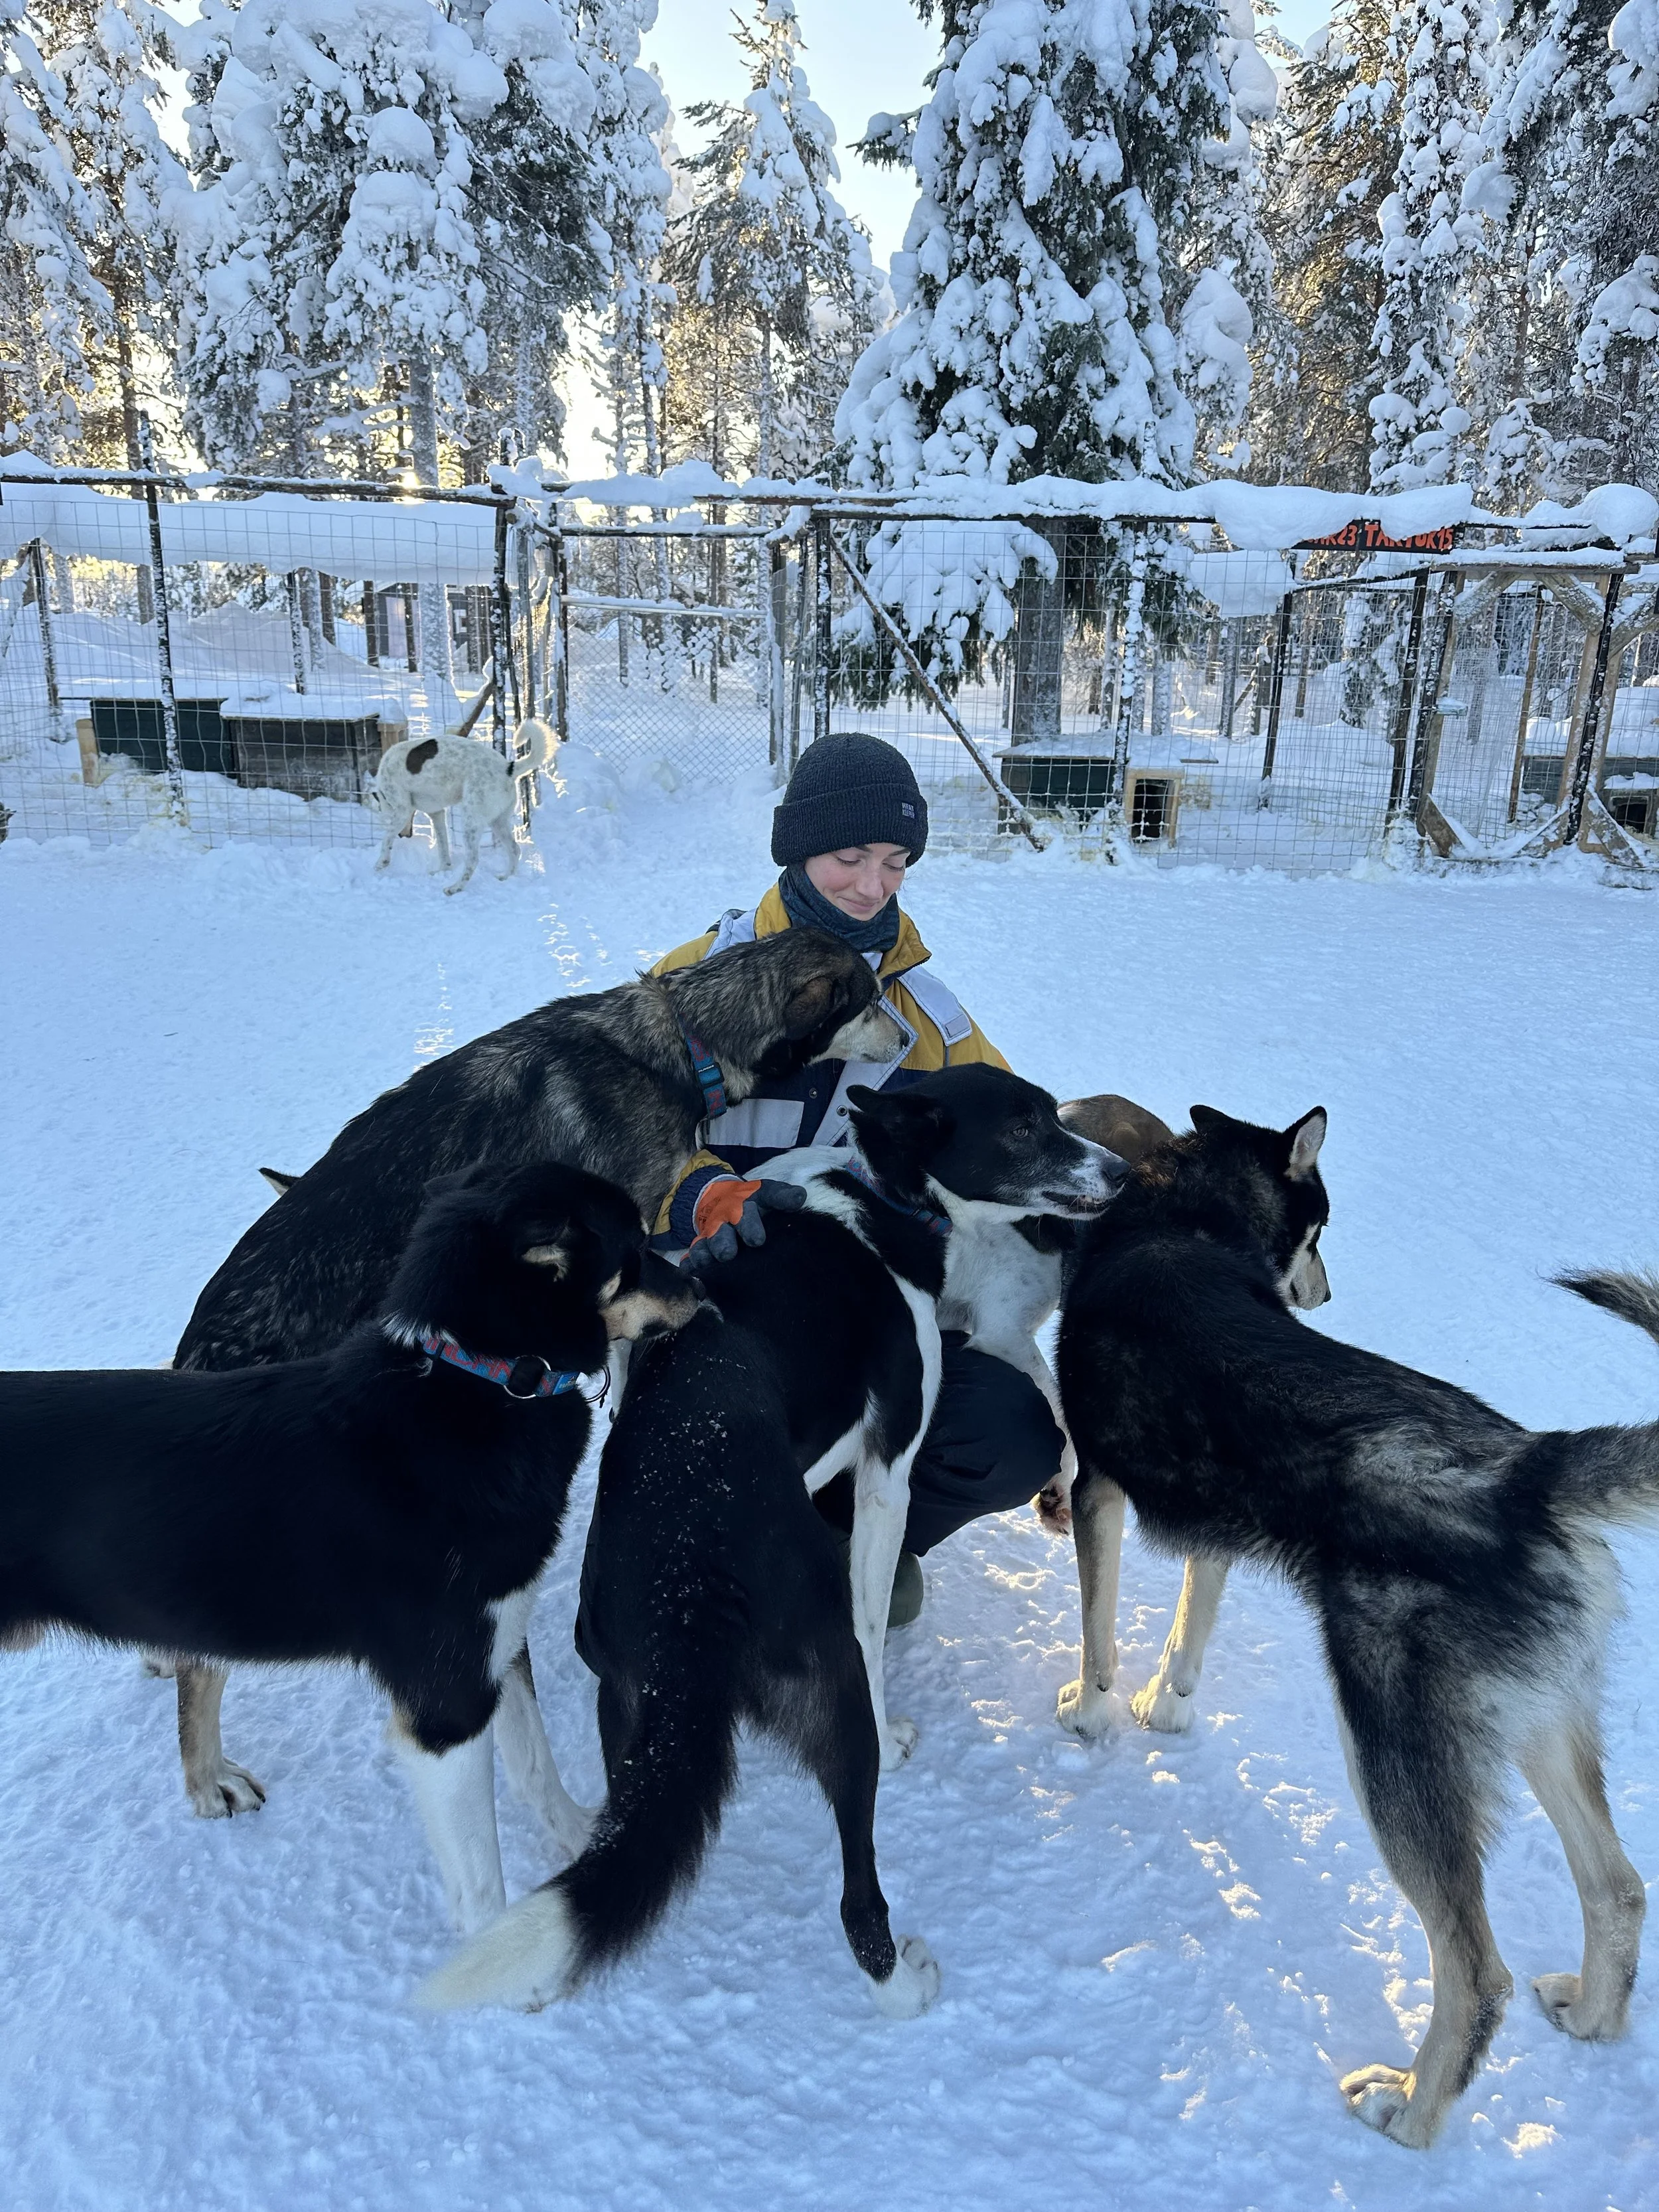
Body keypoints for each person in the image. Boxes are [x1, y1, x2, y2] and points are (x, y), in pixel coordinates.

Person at [651, 732, 1065, 1625]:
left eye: (895, 862)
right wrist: (699, 1192)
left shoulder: (932, 1025)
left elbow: (1018, 1163)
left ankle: (850, 1532)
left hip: (866, 1323)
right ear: (796, 849)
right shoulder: (691, 983)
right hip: (712, 1313)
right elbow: (607, 1146)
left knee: (1013, 1430)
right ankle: (704, 1529)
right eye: (848, 857)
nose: (871, 886)